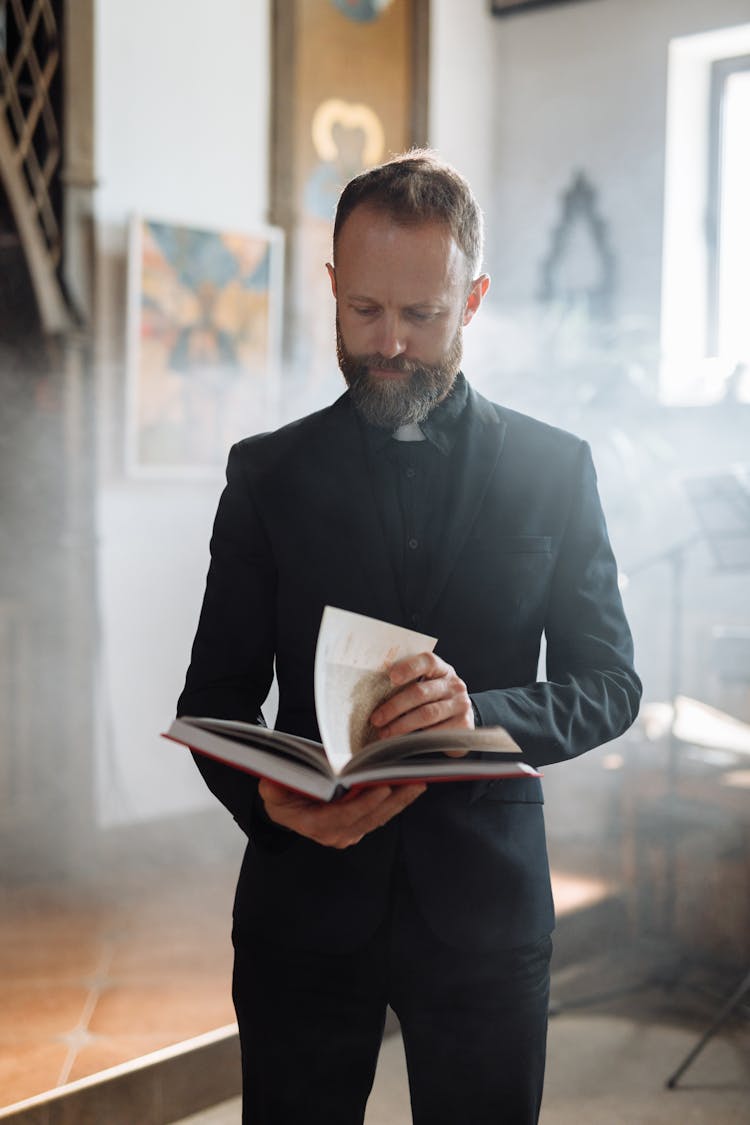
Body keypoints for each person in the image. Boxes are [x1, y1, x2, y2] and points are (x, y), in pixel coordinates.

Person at [177, 149, 641, 1125]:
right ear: (334, 289)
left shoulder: (556, 470)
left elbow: (609, 682)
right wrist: (270, 805)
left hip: (484, 908)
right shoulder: (265, 476)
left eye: (422, 316)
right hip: (302, 907)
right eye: (365, 312)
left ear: (471, 299)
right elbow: (212, 704)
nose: (389, 344)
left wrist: (480, 715)